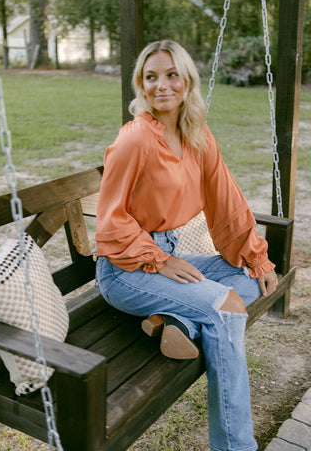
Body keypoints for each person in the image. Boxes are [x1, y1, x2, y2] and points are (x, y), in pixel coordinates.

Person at [95, 39, 278, 451]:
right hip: (125, 268)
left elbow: (225, 198)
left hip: (167, 254)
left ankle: (177, 323)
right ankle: (235, 447)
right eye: (150, 77)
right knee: (227, 306)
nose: (161, 85)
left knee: (245, 277)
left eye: (171, 74)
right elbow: (110, 221)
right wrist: (156, 260)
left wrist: (256, 257)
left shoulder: (195, 134)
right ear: (140, 85)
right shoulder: (136, 139)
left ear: (187, 81)